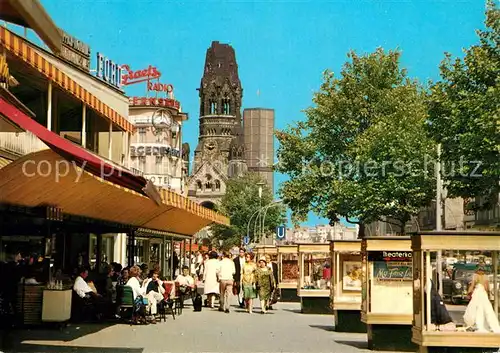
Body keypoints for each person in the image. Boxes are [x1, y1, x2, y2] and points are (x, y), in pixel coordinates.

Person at [463, 264, 500, 333]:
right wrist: (488, 294)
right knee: (487, 309)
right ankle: (491, 325)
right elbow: (487, 287)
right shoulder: (486, 277)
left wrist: (468, 292)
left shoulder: (475, 276)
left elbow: (472, 285)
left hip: (477, 292)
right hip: (483, 293)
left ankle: (476, 324)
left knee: (475, 307)